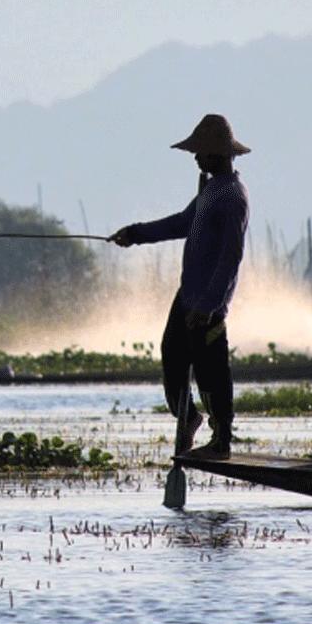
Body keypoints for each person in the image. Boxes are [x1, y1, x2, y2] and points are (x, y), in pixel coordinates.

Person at [110, 113, 251, 461]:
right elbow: (183, 223)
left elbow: (231, 257)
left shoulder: (232, 196)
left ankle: (222, 440)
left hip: (209, 303)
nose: (195, 157)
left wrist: (210, 305)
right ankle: (188, 418)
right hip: (187, 295)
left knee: (212, 372)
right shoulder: (210, 192)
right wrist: (136, 233)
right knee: (172, 357)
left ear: (217, 154)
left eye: (200, 152)